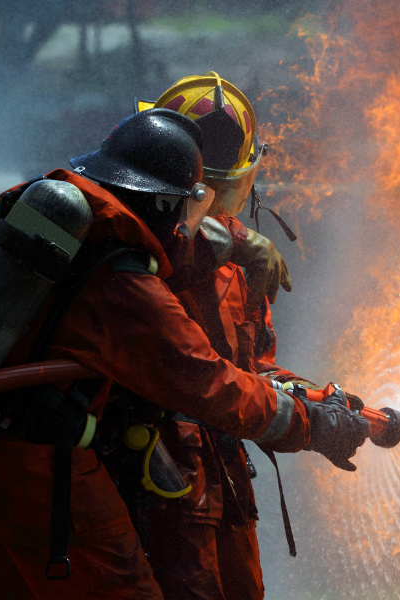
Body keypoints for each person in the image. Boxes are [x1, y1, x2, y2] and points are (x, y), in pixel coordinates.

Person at [0, 108, 369, 599]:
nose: (189, 226)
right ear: (164, 204)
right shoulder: (122, 283)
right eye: (186, 211)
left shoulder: (29, 218)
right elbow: (210, 383)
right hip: (47, 495)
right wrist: (312, 425)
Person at [125, 72, 311, 600]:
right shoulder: (131, 249)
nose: (213, 205)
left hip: (220, 477)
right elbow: (200, 377)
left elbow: (252, 370)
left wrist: (318, 401)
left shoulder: (242, 267)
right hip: (152, 477)